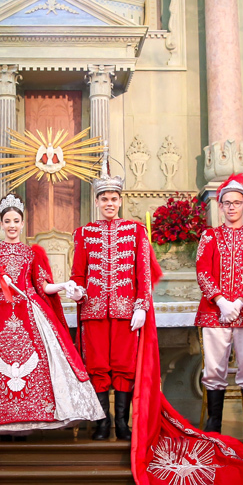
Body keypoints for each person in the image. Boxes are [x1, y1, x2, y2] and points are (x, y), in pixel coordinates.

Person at [0, 194, 104, 435]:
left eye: (16, 221)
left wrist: (63, 285)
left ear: (22, 224)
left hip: (29, 308)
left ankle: (33, 414)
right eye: (7, 221)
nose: (12, 225)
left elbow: (43, 286)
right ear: (1, 224)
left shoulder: (32, 253)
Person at [68, 174, 157, 440]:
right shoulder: (83, 233)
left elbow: (144, 273)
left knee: (124, 366)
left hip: (126, 311)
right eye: (104, 199)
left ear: (120, 201)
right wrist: (77, 290)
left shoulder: (136, 231)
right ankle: (103, 424)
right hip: (93, 311)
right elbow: (78, 273)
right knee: (96, 366)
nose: (109, 203)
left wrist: (141, 306)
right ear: (96, 202)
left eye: (114, 199)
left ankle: (122, 423)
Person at [195, 174, 243, 438]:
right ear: (220, 206)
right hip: (214, 311)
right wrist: (221, 301)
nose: (231, 207)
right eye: (227, 203)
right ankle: (214, 423)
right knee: (214, 368)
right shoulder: (209, 236)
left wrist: (239, 302)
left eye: (236, 203)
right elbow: (202, 271)